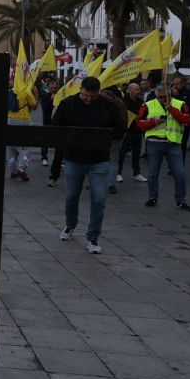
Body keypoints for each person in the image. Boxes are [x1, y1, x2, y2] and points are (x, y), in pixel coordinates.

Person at [52, 76, 129, 254]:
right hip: (74, 159)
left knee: (99, 198)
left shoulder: (108, 106)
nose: (89, 99)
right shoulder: (68, 104)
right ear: (80, 90)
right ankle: (70, 224)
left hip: (99, 160)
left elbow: (120, 128)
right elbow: (56, 126)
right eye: (86, 96)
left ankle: (93, 237)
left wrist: (106, 136)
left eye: (93, 97)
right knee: (71, 195)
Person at [137, 82, 190, 211]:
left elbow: (187, 120)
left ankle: (180, 200)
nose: (163, 100)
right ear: (156, 95)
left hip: (173, 143)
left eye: (166, 97)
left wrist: (172, 109)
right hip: (154, 143)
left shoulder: (180, 104)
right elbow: (139, 124)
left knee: (179, 174)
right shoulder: (148, 105)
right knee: (153, 173)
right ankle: (153, 197)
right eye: (160, 97)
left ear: (170, 94)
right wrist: (153, 122)